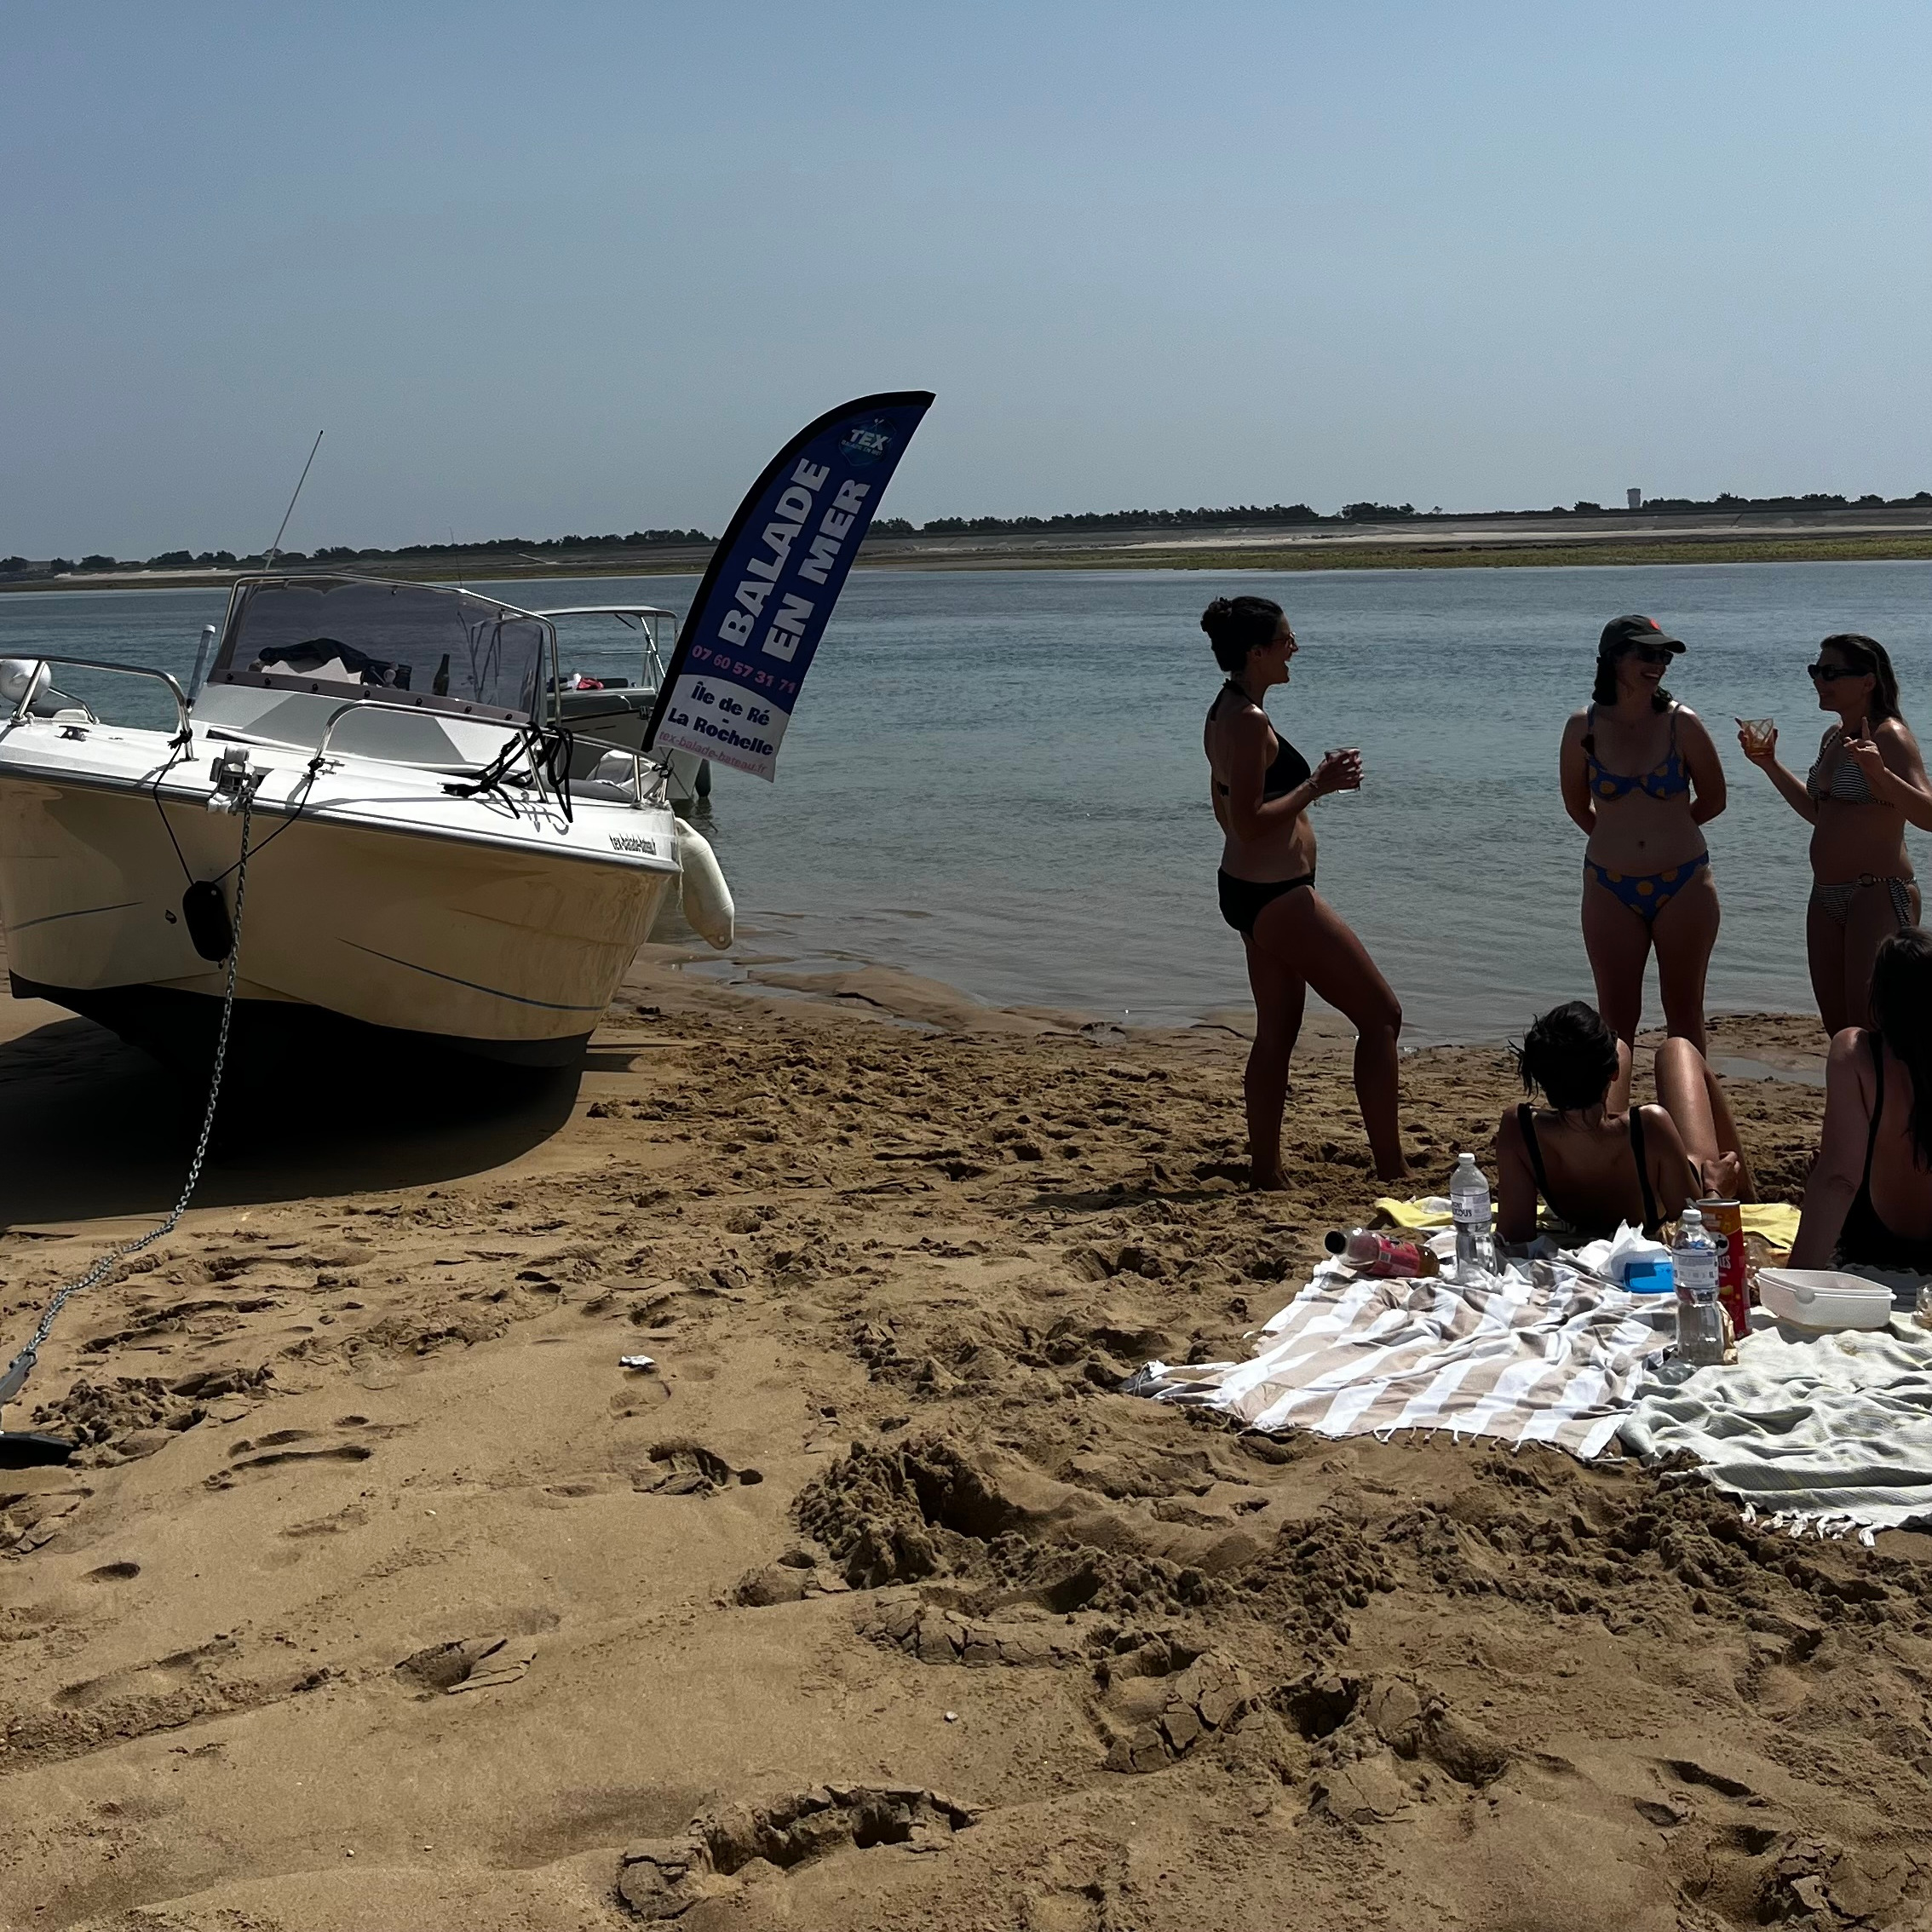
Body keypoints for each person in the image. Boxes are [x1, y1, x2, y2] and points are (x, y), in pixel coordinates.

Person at [1201, 594, 1406, 1187]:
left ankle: (1266, 1171)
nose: (1296, 648)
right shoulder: (1246, 720)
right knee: (1383, 1017)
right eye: (1287, 640)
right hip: (1276, 896)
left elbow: (1226, 808)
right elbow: (1246, 817)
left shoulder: (1228, 709)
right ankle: (1391, 1170)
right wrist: (1318, 785)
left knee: (1277, 1033)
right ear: (1257, 651)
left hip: (1250, 890)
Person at [1735, 632, 1932, 1034]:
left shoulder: (1889, 736)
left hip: (1875, 891)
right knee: (1837, 1027)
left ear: (1868, 681)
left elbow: (1928, 815)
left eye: (1830, 672)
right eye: (1815, 671)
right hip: (1826, 894)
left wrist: (1880, 774)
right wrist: (1770, 765)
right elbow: (1819, 813)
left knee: (1871, 1025)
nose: (1818, 680)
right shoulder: (1832, 737)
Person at [1560, 616, 1727, 1054]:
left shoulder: (1682, 723)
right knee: (1615, 1018)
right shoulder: (1584, 726)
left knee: (1685, 1012)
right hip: (1609, 886)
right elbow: (1577, 805)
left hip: (1685, 881)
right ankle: (1612, 1118)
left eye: (1664, 656)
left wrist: (1665, 830)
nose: (1659, 665)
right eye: (1647, 654)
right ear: (1614, 658)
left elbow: (1714, 799)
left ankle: (1691, 1118)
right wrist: (1618, 838)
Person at [1496, 999, 1754, 1244]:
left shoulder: (1518, 1127)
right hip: (1673, 1191)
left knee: (1618, 1047)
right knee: (1676, 1048)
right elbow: (1696, 1237)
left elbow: (1515, 1234)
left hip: (1585, 1197)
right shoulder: (1651, 1124)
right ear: (1614, 1073)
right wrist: (1715, 1191)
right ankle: (1750, 1198)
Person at [1791, 928, 1932, 1271]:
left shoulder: (1855, 1054)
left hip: (1868, 1259)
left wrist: (1790, 1284)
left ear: (1879, 995)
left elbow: (1840, 1178)